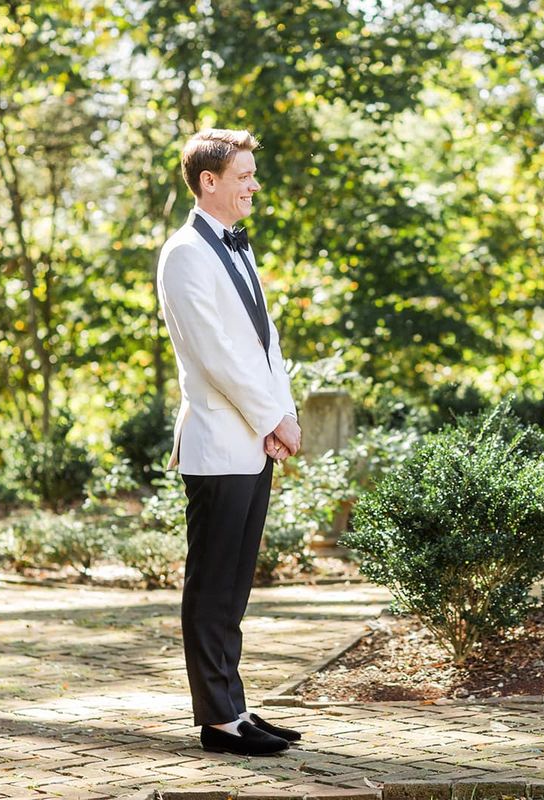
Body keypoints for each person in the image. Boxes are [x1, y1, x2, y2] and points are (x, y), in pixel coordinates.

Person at [157, 128, 304, 757]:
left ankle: (234, 708)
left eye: (252, 174)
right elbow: (216, 356)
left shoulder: (237, 248)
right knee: (213, 585)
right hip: (220, 441)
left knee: (236, 586)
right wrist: (272, 417)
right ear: (208, 182)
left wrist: (284, 412)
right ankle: (217, 720)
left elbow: (262, 343)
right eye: (243, 175)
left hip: (254, 437)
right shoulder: (185, 253)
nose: (254, 185)